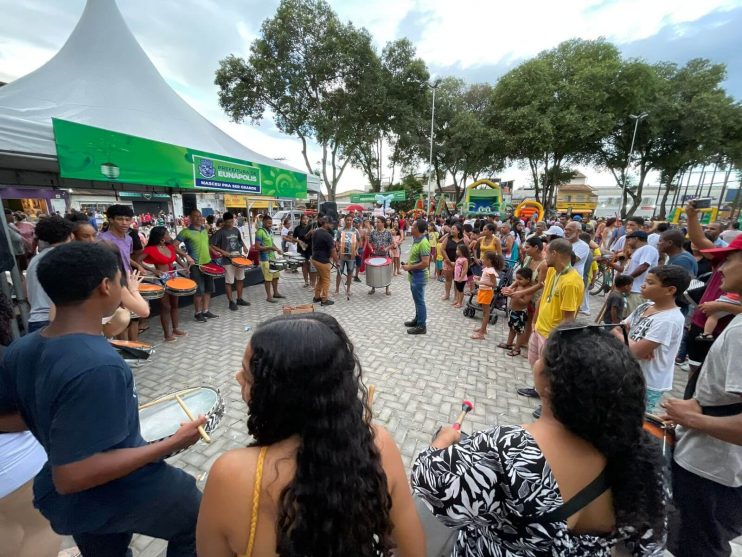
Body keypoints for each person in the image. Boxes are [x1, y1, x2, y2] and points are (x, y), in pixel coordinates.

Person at [0, 242, 205, 556]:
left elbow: (6, 419)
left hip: (75, 506)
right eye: (121, 281)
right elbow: (72, 476)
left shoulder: (21, 349)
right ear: (105, 286)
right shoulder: (98, 364)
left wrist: (53, 419)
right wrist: (171, 444)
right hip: (118, 487)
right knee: (200, 523)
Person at [412, 325, 666, 556]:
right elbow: (647, 545)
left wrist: (442, 442)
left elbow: (428, 483)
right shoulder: (638, 451)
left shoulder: (509, 451)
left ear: (549, 382)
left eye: (543, 356)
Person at [196, 313, 425, 556]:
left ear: (279, 396)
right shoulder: (378, 444)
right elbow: (414, 549)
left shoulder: (231, 475)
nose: (238, 378)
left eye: (248, 376)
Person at [662, 235, 742, 557]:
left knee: (699, 546)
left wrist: (691, 418)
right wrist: (694, 405)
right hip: (716, 466)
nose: (719, 269)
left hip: (713, 470)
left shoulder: (739, 335)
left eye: (728, 259)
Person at [516, 239, 585, 418]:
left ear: (555, 253)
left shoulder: (572, 281)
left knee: (550, 371)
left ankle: (548, 403)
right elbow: (542, 298)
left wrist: (555, 340)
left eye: (547, 252)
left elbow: (569, 318)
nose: (544, 255)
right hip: (540, 328)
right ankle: (537, 389)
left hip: (552, 334)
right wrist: (535, 322)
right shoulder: (555, 272)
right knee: (536, 364)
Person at [619, 265, 690, 412]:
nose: (643, 285)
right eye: (645, 281)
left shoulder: (669, 319)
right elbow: (616, 329)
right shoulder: (646, 306)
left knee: (633, 421)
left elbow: (635, 352)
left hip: (647, 383)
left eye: (651, 283)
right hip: (628, 373)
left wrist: (631, 345)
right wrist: (632, 344)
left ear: (670, 290)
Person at [25, 216, 75, 333]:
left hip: (35, 321)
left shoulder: (35, 259)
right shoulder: (68, 258)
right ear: (70, 235)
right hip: (59, 321)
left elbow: (26, 292)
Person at [140, 226, 189, 341]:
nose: (169, 236)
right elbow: (138, 261)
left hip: (173, 277)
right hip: (161, 279)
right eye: (167, 234)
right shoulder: (150, 249)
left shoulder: (170, 247)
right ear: (161, 238)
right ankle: (167, 334)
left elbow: (176, 258)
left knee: (175, 304)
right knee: (165, 307)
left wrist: (184, 266)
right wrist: (153, 270)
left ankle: (175, 329)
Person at [176, 209, 216, 321]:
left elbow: (205, 244)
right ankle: (198, 313)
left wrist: (213, 251)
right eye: (195, 216)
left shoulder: (204, 230)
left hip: (208, 263)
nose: (199, 218)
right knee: (199, 290)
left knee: (208, 289)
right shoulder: (185, 232)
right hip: (195, 265)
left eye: (200, 216)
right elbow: (174, 246)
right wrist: (186, 256)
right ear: (190, 218)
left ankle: (206, 311)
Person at [608, 230, 660, 314]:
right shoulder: (637, 251)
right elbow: (625, 269)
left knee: (632, 318)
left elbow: (644, 266)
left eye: (629, 240)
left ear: (636, 238)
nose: (628, 242)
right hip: (631, 290)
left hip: (638, 291)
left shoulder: (648, 248)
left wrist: (627, 279)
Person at [210, 212, 251, 311]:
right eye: (228, 222)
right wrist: (223, 251)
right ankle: (231, 301)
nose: (230, 223)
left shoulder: (236, 230)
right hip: (227, 261)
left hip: (239, 258)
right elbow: (211, 244)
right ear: (224, 222)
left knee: (240, 279)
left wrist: (245, 247)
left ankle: (239, 299)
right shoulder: (220, 232)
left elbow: (240, 241)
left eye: (232, 221)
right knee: (229, 281)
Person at [402, 220, 431, 335]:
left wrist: (409, 267)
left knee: (419, 301)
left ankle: (421, 326)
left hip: (419, 276)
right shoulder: (416, 240)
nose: (410, 227)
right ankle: (417, 320)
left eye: (413, 226)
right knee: (417, 299)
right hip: (414, 275)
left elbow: (425, 263)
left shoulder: (424, 242)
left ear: (418, 229)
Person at [501, 267, 535, 357]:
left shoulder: (529, 289)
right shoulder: (518, 285)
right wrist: (508, 291)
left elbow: (525, 302)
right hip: (512, 310)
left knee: (519, 332)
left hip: (520, 313)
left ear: (528, 279)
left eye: (520, 279)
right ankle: (509, 344)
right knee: (512, 328)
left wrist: (514, 296)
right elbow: (511, 290)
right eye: (517, 278)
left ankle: (517, 349)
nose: (518, 281)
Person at [471, 252, 504, 341]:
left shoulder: (491, 271)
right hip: (483, 291)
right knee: (484, 312)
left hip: (486, 292)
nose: (482, 260)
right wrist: (479, 278)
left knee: (485, 314)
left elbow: (494, 284)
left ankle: (481, 333)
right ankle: (483, 329)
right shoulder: (487, 269)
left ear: (489, 261)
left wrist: (481, 282)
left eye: (484, 258)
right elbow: (486, 279)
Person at [255, 215, 285, 303]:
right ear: (263, 222)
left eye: (271, 223)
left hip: (272, 258)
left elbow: (272, 243)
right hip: (265, 259)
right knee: (268, 278)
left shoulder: (270, 231)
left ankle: (275, 293)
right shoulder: (260, 232)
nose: (270, 225)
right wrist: (270, 248)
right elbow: (257, 247)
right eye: (268, 223)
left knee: (276, 277)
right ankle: (269, 297)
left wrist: (278, 249)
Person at [564, 221, 591, 315]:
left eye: (569, 230)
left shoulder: (583, 246)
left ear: (579, 232)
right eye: (565, 229)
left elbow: (571, 261)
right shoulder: (564, 242)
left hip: (573, 280)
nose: (566, 232)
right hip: (562, 278)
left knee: (570, 308)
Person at [310, 217, 338, 306]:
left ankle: (317, 297)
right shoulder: (327, 235)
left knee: (321, 279)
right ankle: (324, 300)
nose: (332, 226)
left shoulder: (316, 232)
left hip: (315, 259)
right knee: (326, 280)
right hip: (323, 261)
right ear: (325, 223)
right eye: (331, 224)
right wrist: (337, 262)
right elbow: (333, 251)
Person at [334, 214, 360, 299]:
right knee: (339, 272)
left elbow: (359, 241)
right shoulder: (340, 230)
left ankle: (348, 289)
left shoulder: (355, 231)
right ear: (344, 220)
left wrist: (356, 250)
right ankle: (337, 289)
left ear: (352, 221)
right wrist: (337, 247)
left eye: (350, 220)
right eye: (347, 220)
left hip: (351, 255)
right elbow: (337, 240)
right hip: (341, 255)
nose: (349, 221)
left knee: (350, 272)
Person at [367, 217, 392, 296]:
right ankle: (373, 287)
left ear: (383, 223)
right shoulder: (373, 232)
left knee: (386, 271)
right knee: (374, 271)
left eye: (378, 222)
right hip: (374, 254)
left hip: (385, 255)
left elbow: (392, 243)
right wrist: (371, 249)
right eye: (376, 222)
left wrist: (387, 248)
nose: (376, 223)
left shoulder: (388, 233)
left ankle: (387, 288)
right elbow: (369, 242)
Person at [441, 223, 465, 301]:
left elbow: (466, 251)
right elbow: (442, 249)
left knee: (457, 280)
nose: (451, 230)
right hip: (448, 262)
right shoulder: (448, 238)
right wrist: (448, 260)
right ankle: (447, 294)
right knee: (448, 279)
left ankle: (456, 296)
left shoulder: (463, 240)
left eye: (453, 229)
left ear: (459, 231)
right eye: (451, 229)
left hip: (460, 264)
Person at [293, 214, 315, 288]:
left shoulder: (311, 227)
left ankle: (312, 282)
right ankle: (306, 282)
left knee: (311, 265)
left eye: (307, 219)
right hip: (301, 248)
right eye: (303, 219)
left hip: (311, 248)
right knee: (304, 265)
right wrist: (299, 241)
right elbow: (293, 238)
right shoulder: (297, 228)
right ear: (301, 220)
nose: (305, 220)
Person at [452, 244, 470, 309]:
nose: (456, 251)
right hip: (457, 277)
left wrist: (461, 278)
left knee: (460, 290)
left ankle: (460, 303)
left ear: (461, 251)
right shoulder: (459, 258)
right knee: (458, 289)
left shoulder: (465, 260)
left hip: (461, 278)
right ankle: (457, 300)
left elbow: (465, 269)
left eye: (457, 250)